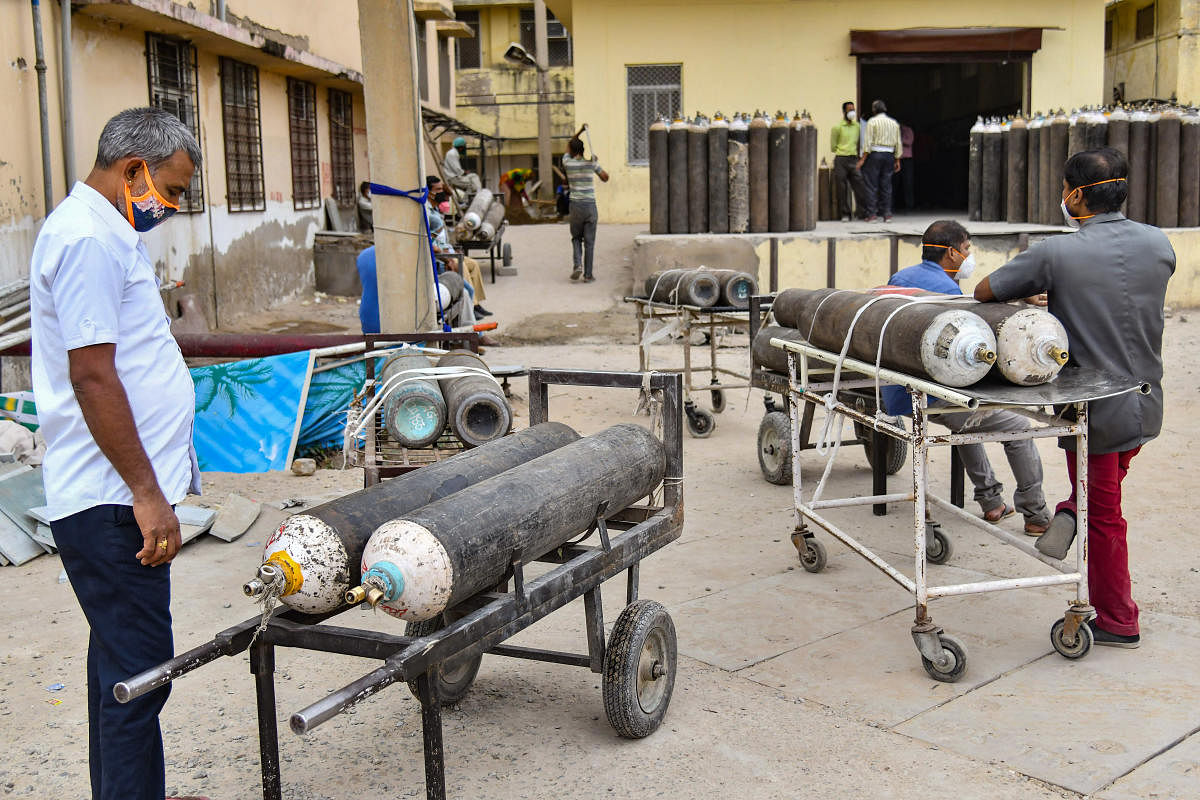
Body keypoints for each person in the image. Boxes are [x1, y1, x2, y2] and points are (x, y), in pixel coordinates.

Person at [30, 107, 206, 800]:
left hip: (114, 498)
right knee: (140, 674)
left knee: (121, 674)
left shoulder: (104, 235)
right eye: (173, 188)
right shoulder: (87, 241)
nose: (173, 205)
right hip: (111, 502)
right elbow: (92, 373)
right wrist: (146, 492)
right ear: (134, 169)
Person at [974, 147, 1174, 648]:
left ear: (1077, 194)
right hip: (1146, 401)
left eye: (1066, 189)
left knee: (1105, 514)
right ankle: (1069, 508)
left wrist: (1044, 292)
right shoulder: (1159, 244)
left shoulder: (1055, 253)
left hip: (1096, 411)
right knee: (1100, 492)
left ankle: (1118, 619)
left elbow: (984, 290)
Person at [881, 220, 1051, 535]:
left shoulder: (901, 277)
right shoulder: (948, 292)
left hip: (895, 389)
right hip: (928, 395)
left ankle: (991, 501)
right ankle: (1036, 513)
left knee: (969, 418)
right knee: (1017, 427)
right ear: (952, 254)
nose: (969, 256)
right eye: (967, 249)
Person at [562, 127, 610, 282]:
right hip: (590, 206)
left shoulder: (567, 163)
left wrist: (580, 131)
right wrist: (596, 162)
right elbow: (605, 178)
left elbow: (570, 143)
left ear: (571, 151)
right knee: (589, 242)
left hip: (575, 206)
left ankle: (577, 266)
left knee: (576, 238)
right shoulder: (591, 164)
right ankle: (588, 275)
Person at [857, 99, 902, 222]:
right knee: (886, 185)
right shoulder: (894, 123)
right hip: (889, 155)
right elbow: (898, 142)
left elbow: (868, 142)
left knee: (871, 185)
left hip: (875, 154)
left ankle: (872, 214)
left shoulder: (872, 122)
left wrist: (863, 159)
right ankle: (887, 214)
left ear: (874, 110)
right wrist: (897, 159)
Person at [830, 101, 868, 221]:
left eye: (853, 109)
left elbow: (863, 142)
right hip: (841, 159)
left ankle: (861, 212)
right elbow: (833, 146)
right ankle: (845, 213)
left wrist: (861, 159)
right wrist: (843, 150)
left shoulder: (857, 126)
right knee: (842, 188)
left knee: (860, 186)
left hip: (853, 159)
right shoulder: (837, 127)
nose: (852, 112)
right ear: (844, 112)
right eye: (849, 110)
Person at [894, 123, 915, 210]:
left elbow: (909, 142)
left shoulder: (908, 130)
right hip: (897, 158)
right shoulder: (895, 130)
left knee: (908, 182)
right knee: (894, 182)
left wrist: (898, 140)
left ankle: (909, 205)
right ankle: (892, 204)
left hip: (907, 159)